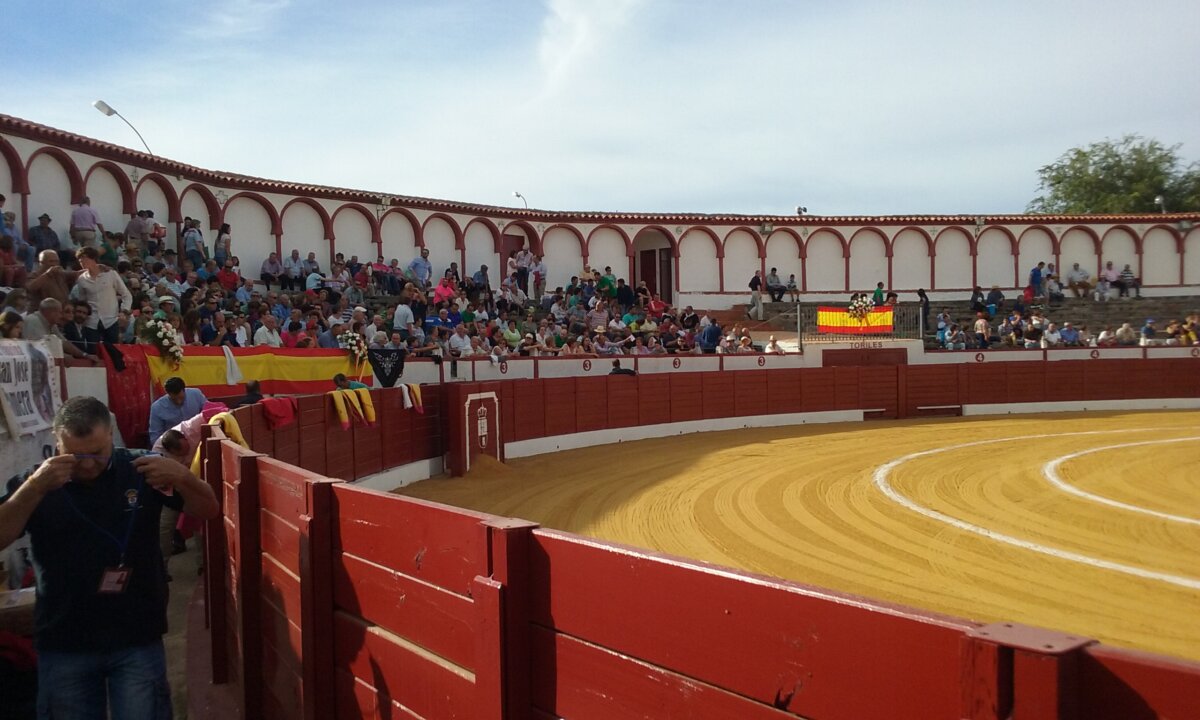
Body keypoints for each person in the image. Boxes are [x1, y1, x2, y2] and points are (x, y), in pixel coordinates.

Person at [0, 396, 219, 719]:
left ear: (111, 436)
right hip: (65, 639)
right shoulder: (38, 482)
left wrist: (183, 477)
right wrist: (33, 489)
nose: (87, 464)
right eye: (74, 455)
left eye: (97, 453)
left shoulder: (142, 469)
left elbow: (209, 510)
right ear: (55, 442)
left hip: (135, 634)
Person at [74, 246, 133, 344]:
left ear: (93, 258)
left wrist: (124, 311)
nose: (81, 261)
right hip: (91, 322)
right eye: (79, 259)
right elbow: (82, 300)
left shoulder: (110, 274)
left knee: (113, 351)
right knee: (93, 350)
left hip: (111, 320)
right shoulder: (81, 279)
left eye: (84, 258)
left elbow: (126, 294)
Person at [22, 298, 100, 363]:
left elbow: (63, 342)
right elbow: (40, 347)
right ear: (51, 312)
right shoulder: (33, 321)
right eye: (60, 312)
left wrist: (85, 355)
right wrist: (63, 356)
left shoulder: (52, 324)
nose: (61, 316)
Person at [148, 377, 208, 447]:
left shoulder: (196, 394)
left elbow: (209, 411)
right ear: (167, 394)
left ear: (184, 390)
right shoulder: (157, 407)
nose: (178, 402)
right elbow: (155, 435)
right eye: (174, 399)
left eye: (181, 398)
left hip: (198, 440)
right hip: (174, 446)